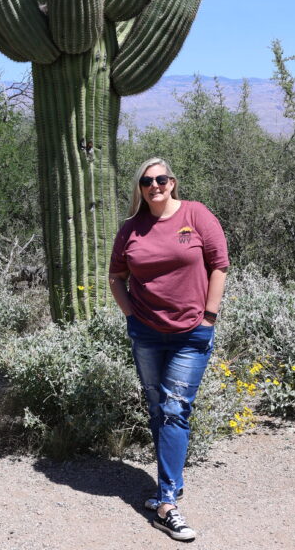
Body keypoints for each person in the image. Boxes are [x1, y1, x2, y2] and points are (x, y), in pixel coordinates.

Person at [109, 157, 229, 542]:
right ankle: (168, 490)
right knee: (158, 409)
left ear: (173, 182)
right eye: (147, 181)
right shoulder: (131, 228)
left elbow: (219, 266)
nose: (155, 185)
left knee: (175, 409)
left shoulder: (196, 215)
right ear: (140, 188)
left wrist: (208, 318)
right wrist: (131, 315)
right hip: (146, 334)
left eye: (161, 179)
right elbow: (116, 277)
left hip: (191, 334)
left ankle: (166, 504)